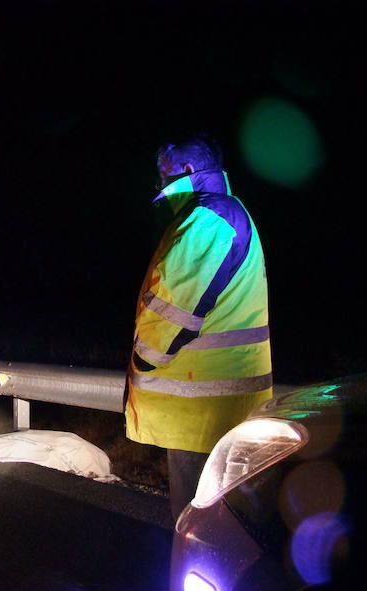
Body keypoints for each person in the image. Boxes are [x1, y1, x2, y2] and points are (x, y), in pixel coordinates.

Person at [125, 133, 273, 521]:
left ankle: (188, 581)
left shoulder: (208, 218)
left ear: (188, 170)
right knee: (229, 517)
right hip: (219, 402)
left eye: (163, 172)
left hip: (201, 406)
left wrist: (145, 359)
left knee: (198, 519)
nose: (158, 183)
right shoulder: (224, 212)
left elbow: (174, 312)